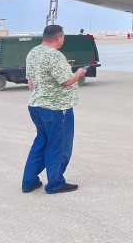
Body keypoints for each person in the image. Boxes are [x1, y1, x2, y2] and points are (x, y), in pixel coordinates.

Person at [22, 25, 87, 194]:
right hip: (56, 108)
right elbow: (66, 81)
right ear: (59, 38)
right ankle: (55, 183)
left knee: (41, 143)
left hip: (36, 105)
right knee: (60, 146)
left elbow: (30, 82)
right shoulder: (55, 55)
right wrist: (79, 73)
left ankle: (29, 182)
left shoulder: (33, 52)